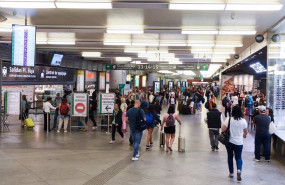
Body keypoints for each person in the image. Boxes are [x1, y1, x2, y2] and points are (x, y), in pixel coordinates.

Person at [221, 105, 248, 182]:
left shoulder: (229, 119)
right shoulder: (243, 121)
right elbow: (246, 131)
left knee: (230, 156)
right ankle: (239, 171)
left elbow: (223, 129)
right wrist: (244, 135)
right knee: (238, 157)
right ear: (240, 112)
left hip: (229, 142)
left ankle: (231, 173)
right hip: (239, 143)